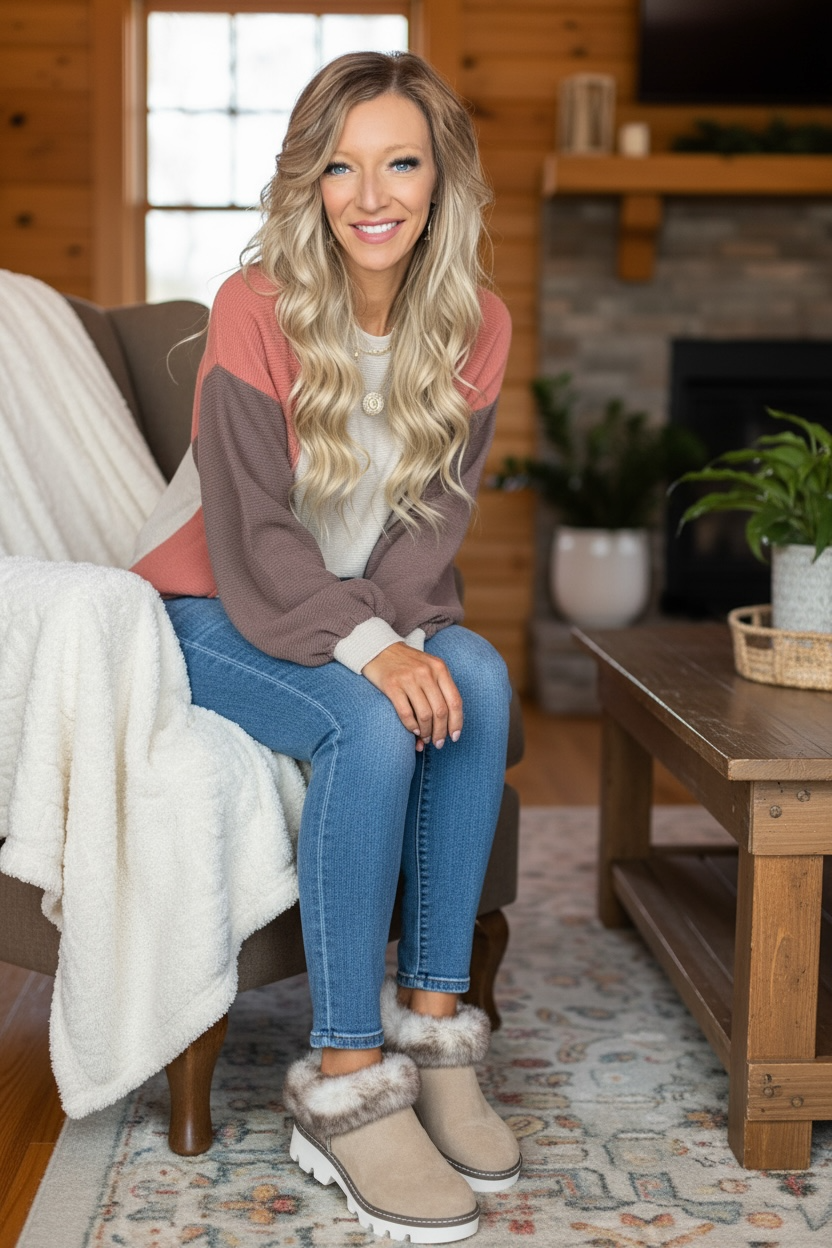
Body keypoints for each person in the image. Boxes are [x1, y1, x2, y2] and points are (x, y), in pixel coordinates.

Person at [132, 49, 518, 1244]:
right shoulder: (254, 305)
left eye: (400, 162)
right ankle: (345, 1080)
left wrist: (399, 637)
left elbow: (428, 528)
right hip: (212, 604)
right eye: (341, 167)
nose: (371, 195)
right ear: (308, 183)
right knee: (364, 719)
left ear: (440, 178)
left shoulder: (478, 325)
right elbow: (250, 533)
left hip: (353, 602)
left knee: (482, 679)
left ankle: (434, 1025)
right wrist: (370, 654)